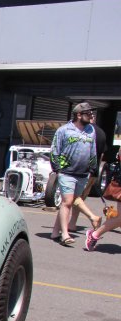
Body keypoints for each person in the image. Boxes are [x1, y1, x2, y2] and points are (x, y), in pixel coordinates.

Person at [49, 102, 98, 246]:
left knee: (69, 202)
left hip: (83, 173)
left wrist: (93, 167)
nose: (91, 115)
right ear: (78, 115)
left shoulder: (91, 130)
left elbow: (93, 149)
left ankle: (55, 231)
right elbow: (55, 149)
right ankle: (65, 234)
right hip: (66, 172)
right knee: (68, 202)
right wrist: (57, 167)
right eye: (88, 113)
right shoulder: (64, 130)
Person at [69, 123, 105, 231]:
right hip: (94, 171)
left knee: (73, 197)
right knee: (80, 198)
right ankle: (72, 223)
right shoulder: (101, 132)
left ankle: (92, 217)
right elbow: (102, 155)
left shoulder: (84, 132)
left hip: (82, 170)